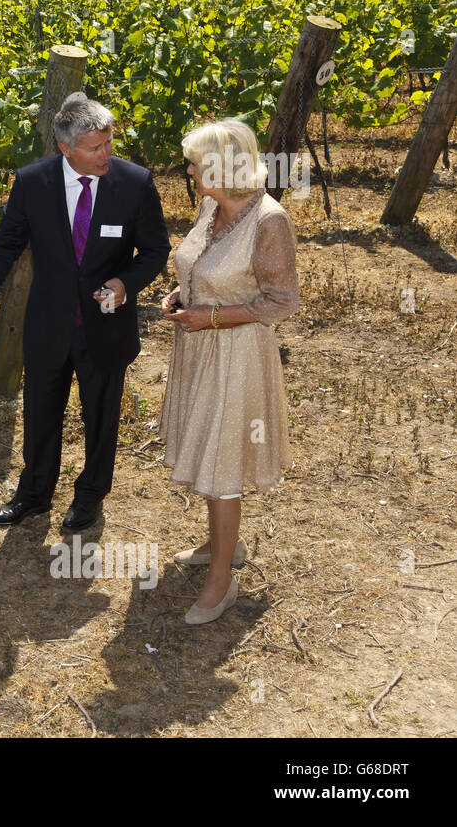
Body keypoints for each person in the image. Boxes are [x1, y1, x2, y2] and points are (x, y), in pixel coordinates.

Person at [0, 93, 170, 532]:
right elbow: (5, 243)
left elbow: (155, 250)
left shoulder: (134, 182)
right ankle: (33, 494)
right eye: (95, 147)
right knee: (40, 412)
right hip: (49, 325)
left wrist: (124, 283)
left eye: (109, 142)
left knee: (100, 418)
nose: (107, 153)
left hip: (105, 326)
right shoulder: (33, 182)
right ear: (66, 149)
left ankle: (90, 496)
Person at [160, 118, 300, 624]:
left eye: (195, 162)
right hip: (199, 350)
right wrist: (183, 294)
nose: (190, 169)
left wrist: (211, 315)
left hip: (238, 357)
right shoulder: (210, 206)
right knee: (211, 451)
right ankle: (223, 544)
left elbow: (283, 301)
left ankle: (222, 583)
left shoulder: (268, 220)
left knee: (223, 460)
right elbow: (201, 264)